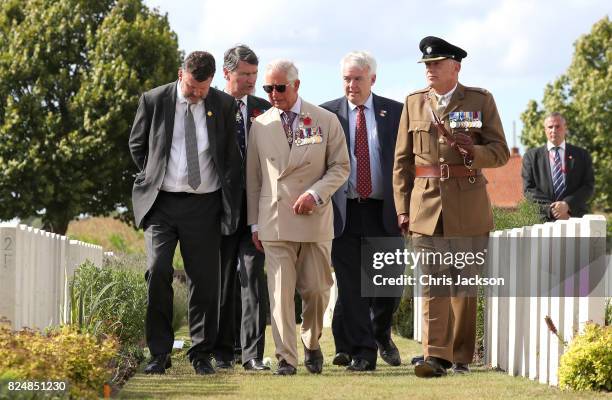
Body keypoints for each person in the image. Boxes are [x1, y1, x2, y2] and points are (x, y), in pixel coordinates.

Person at [393, 37, 509, 377]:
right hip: (425, 206)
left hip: (468, 204)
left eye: (437, 63)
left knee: (463, 287)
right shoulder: (414, 103)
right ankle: (435, 357)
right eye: (427, 65)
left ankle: (460, 358)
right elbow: (402, 163)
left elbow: (500, 152)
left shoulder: (480, 100)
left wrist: (474, 151)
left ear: (455, 67)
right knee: (431, 284)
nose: (429, 69)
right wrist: (402, 208)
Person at [129, 51, 241, 375]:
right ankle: (158, 353)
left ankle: (201, 354)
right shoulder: (153, 100)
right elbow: (137, 145)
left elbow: (230, 158)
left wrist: (228, 206)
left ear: (212, 82)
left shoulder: (222, 104)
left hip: (204, 205)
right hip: (162, 204)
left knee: (204, 282)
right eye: (191, 88)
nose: (195, 95)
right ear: (181, 74)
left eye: (202, 90)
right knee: (157, 270)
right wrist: (153, 176)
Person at [246, 59, 350, 375]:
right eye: (268, 88)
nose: (273, 94)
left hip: (315, 219)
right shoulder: (260, 125)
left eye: (280, 87)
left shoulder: (325, 119)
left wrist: (316, 194)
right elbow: (254, 179)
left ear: (297, 85)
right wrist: (254, 222)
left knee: (317, 291)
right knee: (279, 294)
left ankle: (312, 342)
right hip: (275, 220)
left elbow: (341, 166)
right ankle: (286, 358)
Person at [320, 51, 403, 372]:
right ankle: (363, 352)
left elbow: (405, 163)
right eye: (346, 79)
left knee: (388, 286)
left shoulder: (395, 113)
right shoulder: (327, 114)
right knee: (352, 287)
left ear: (372, 79)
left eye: (357, 78)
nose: (351, 85)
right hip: (344, 212)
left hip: (385, 211)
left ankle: (380, 332)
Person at [213, 44, 272, 371]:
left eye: (254, 74)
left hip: (255, 213)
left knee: (253, 279)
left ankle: (252, 355)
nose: (252, 80)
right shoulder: (210, 106)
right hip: (218, 211)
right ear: (227, 73)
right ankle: (223, 353)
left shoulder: (264, 110)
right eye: (244, 74)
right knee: (222, 284)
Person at [521, 112, 594, 221]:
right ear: (545, 130)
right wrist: (552, 210)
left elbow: (588, 186)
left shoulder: (581, 155)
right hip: (543, 220)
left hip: (574, 218)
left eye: (558, 126)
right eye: (550, 127)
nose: (553, 130)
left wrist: (567, 205)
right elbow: (528, 189)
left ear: (565, 128)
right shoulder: (531, 157)